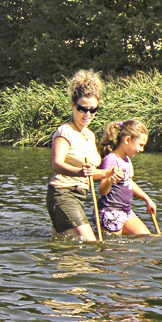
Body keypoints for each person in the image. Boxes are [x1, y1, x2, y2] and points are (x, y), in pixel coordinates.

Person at [46, 70, 116, 241]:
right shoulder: (65, 132)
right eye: (82, 109)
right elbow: (57, 164)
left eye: (93, 110)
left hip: (79, 195)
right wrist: (80, 172)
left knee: (66, 242)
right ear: (72, 105)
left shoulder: (90, 135)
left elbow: (91, 173)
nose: (87, 115)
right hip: (62, 193)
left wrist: (108, 174)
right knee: (90, 242)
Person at [96, 120, 155, 235]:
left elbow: (129, 182)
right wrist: (110, 180)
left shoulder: (127, 160)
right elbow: (102, 190)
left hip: (126, 211)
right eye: (140, 145)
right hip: (110, 211)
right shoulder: (111, 159)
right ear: (127, 140)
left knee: (145, 236)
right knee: (114, 249)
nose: (141, 150)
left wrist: (147, 199)